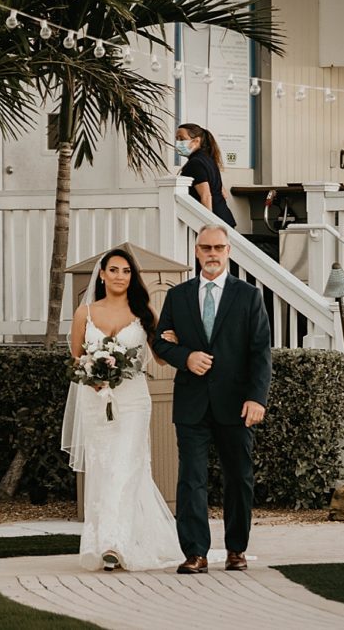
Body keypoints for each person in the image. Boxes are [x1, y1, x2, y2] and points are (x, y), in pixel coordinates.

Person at [153, 224, 272, 574]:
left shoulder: (248, 296)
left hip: (236, 404)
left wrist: (257, 398)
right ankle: (195, 553)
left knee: (239, 477)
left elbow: (260, 352)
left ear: (228, 251)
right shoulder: (178, 296)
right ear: (196, 251)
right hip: (191, 403)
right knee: (191, 479)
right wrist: (185, 357)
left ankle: (237, 549)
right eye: (205, 247)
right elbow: (160, 342)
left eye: (218, 247)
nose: (212, 254)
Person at [61, 248, 182, 572]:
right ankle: (102, 541)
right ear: (102, 274)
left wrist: (173, 339)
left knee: (126, 467)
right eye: (113, 270)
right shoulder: (84, 312)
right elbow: (75, 357)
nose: (119, 276)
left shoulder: (145, 313)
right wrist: (92, 376)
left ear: (132, 277)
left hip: (133, 401)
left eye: (126, 271)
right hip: (96, 401)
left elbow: (160, 357)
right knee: (103, 469)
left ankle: (115, 544)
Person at [175, 124, 237, 228]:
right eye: (177, 139)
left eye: (182, 139)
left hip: (215, 222)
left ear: (196, 141)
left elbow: (206, 196)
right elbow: (223, 193)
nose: (178, 143)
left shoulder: (195, 163)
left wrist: (208, 227)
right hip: (224, 218)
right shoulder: (208, 159)